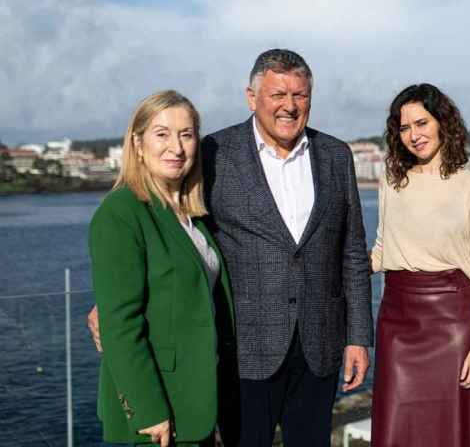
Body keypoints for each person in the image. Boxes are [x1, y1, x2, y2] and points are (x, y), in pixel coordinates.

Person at [89, 49, 373, 446]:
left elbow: (352, 252)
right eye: (277, 95)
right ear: (251, 97)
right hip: (243, 349)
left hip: (319, 345)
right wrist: (109, 302)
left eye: (300, 95)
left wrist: (358, 335)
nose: (290, 106)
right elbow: (162, 236)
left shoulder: (336, 156)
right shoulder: (212, 153)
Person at [89, 90, 234, 446]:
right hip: (158, 415)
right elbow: (119, 325)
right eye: (162, 134)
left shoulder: (192, 217)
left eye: (186, 134)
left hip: (197, 404)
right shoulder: (121, 212)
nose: (176, 147)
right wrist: (148, 411)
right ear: (138, 144)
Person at [370, 83, 470, 446]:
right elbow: (381, 251)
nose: (414, 135)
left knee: (454, 431)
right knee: (399, 431)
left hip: (454, 327)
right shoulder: (391, 182)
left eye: (422, 123)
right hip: (397, 324)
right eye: (404, 127)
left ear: (443, 122)